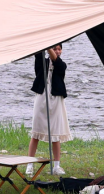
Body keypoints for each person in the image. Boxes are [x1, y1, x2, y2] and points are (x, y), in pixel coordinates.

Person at [25, 44, 72, 177]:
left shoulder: (62, 65)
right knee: (36, 133)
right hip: (41, 97)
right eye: (55, 48)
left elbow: (56, 62)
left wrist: (48, 45)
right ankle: (30, 164)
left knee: (55, 133)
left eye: (59, 49)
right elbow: (38, 53)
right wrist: (43, 41)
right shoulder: (42, 62)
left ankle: (56, 166)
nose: (57, 51)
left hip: (56, 99)